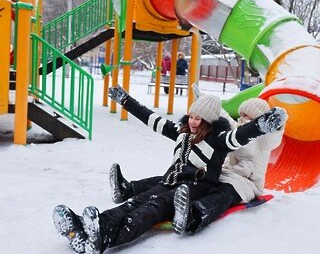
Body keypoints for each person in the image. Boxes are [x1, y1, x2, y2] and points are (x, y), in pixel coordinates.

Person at [52, 86, 285, 254]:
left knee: (152, 209)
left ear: (209, 122)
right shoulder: (183, 133)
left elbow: (240, 135)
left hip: (196, 187)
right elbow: (153, 119)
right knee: (134, 203)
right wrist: (126, 101)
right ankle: (88, 228)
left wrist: (261, 125)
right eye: (192, 116)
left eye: (199, 118)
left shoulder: (218, 140)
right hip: (171, 182)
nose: (194, 121)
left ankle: (105, 239)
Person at [109, 97, 287, 234]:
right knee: (178, 177)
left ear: (257, 119)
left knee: (223, 194)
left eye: (247, 116)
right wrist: (205, 102)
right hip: (224, 173)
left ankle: (194, 214)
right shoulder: (236, 129)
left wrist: (276, 125)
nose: (242, 118)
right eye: (241, 115)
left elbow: (274, 137)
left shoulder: (263, 138)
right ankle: (129, 188)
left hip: (245, 182)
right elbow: (220, 117)